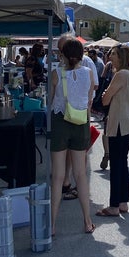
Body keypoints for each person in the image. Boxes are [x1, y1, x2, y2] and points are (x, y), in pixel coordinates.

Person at [49, 38, 96, 236]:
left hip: (61, 122)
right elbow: (89, 101)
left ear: (62, 55)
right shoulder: (88, 74)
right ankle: (87, 221)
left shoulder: (56, 74)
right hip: (81, 122)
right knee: (81, 174)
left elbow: (50, 101)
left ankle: (51, 226)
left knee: (59, 176)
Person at [96, 45, 129, 217]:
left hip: (119, 123)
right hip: (127, 123)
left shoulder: (120, 74)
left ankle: (114, 204)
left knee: (116, 163)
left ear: (121, 57)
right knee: (122, 162)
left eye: (113, 54)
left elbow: (105, 100)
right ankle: (122, 202)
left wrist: (107, 93)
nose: (110, 56)